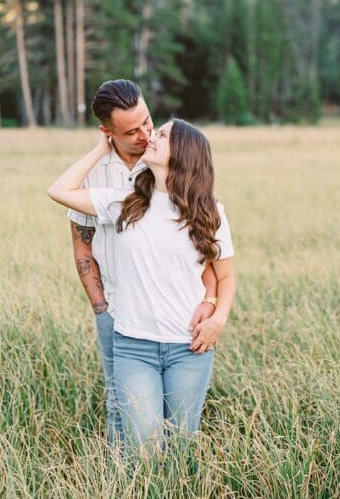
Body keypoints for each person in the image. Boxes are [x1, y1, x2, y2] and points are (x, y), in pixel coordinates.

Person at [47, 118, 236, 450]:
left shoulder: (209, 212)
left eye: (162, 134)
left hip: (188, 347)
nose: (151, 136)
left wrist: (218, 318)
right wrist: (100, 149)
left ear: (183, 153)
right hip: (134, 345)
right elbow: (59, 191)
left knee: (180, 446)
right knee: (143, 446)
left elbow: (225, 275)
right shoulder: (124, 203)